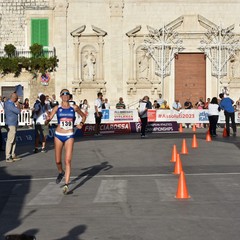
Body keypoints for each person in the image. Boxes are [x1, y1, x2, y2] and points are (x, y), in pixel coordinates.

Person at [45, 89, 86, 195]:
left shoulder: (74, 107)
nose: (65, 96)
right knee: (58, 161)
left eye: (67, 94)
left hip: (69, 135)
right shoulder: (57, 108)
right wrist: (47, 120)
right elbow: (49, 118)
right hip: (58, 135)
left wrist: (81, 123)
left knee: (68, 160)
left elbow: (84, 116)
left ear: (69, 96)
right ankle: (60, 172)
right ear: (60, 96)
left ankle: (66, 185)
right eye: (63, 94)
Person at [4, 92, 21, 163]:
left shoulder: (10, 104)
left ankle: (13, 154)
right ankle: (8, 156)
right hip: (11, 124)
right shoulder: (9, 104)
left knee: (13, 140)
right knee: (10, 140)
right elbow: (18, 111)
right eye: (16, 99)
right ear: (14, 98)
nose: (17, 100)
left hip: (14, 123)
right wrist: (18, 105)